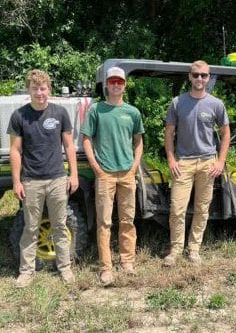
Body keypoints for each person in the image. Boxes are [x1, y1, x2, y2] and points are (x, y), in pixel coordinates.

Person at [7, 69, 79, 288]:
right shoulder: (19, 116)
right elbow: (15, 151)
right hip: (31, 181)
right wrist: (17, 181)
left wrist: (73, 174)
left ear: (49, 89)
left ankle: (65, 268)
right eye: (35, 88)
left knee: (59, 225)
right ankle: (26, 272)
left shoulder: (60, 113)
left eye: (43, 88)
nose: (40, 93)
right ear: (29, 90)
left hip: (57, 179)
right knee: (31, 228)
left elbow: (68, 145)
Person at [81, 66, 144, 285]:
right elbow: (86, 139)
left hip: (127, 173)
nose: (116, 85)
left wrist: (135, 166)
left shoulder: (133, 112)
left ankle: (127, 262)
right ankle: (106, 268)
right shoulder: (97, 110)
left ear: (124, 85)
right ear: (106, 85)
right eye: (112, 82)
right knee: (104, 222)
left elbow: (138, 141)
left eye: (120, 82)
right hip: (105, 174)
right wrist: (96, 167)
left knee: (128, 220)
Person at [163, 60, 230, 266]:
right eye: (195, 75)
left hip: (208, 164)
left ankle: (193, 249)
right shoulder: (177, 102)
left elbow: (226, 134)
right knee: (177, 209)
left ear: (209, 78)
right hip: (183, 163)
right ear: (189, 77)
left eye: (203, 75)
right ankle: (175, 250)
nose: (199, 79)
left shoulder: (216, 104)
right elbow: (169, 133)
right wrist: (171, 158)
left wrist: (220, 161)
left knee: (202, 209)